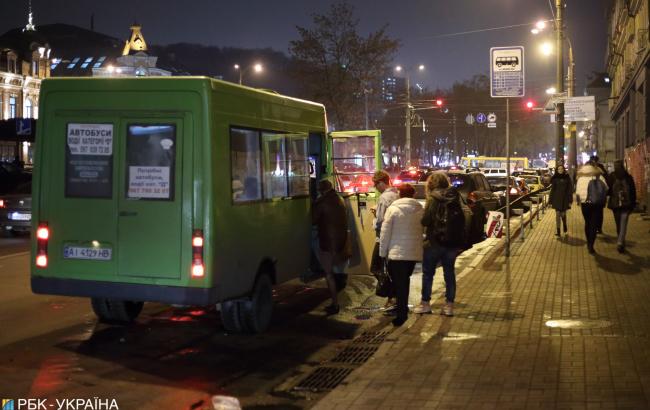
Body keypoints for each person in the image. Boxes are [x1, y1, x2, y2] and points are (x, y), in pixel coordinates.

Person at [415, 172, 463, 317]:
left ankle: (425, 304)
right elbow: (461, 219)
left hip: (434, 242)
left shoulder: (433, 199)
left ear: (430, 184)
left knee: (428, 273)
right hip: (452, 242)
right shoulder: (455, 197)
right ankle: (449, 305)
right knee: (449, 273)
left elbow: (426, 221)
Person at [379, 183, 423, 326]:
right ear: (413, 194)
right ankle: (402, 311)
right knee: (404, 281)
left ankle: (401, 315)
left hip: (396, 253)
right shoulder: (419, 209)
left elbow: (385, 233)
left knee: (400, 283)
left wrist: (382, 252)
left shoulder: (392, 209)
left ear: (399, 194)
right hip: (412, 253)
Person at [312, 179, 348, 315]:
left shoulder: (322, 202)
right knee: (333, 270)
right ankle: (336, 295)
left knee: (328, 274)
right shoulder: (339, 199)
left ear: (321, 190)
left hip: (328, 243)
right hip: (340, 241)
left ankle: (335, 303)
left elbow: (313, 220)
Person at [370, 170, 400, 312]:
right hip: (394, 237)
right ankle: (393, 296)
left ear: (381, 182)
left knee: (375, 267)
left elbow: (381, 221)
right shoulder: (396, 195)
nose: (375, 187)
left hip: (382, 238)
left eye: (376, 184)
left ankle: (392, 294)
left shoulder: (384, 198)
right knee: (390, 268)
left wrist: (375, 215)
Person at [575, 163, 608, 254]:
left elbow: (577, 192)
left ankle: (588, 240)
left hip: (585, 203)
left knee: (588, 222)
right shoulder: (599, 177)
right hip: (597, 203)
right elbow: (606, 188)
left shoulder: (580, 179)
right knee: (594, 224)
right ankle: (591, 245)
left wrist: (579, 201)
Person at [607, 160, 636, 253]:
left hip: (615, 205)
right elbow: (633, 191)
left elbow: (608, 190)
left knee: (618, 224)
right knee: (623, 223)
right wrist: (633, 203)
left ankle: (620, 241)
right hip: (626, 204)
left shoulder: (611, 176)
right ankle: (621, 242)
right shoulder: (628, 177)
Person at [549, 164, 573, 236]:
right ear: (557, 170)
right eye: (559, 169)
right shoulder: (554, 178)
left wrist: (570, 200)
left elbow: (570, 189)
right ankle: (558, 230)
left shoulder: (567, 178)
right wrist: (550, 201)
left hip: (565, 199)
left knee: (563, 214)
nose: (560, 170)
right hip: (556, 199)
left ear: (563, 170)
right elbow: (552, 190)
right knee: (557, 214)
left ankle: (564, 224)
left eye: (561, 169)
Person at [589, 156, 608, 234]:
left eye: (595, 161)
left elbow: (606, 183)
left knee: (599, 212)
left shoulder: (601, 170)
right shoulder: (588, 170)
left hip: (599, 196)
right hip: (592, 196)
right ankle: (595, 227)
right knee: (594, 213)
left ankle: (598, 227)